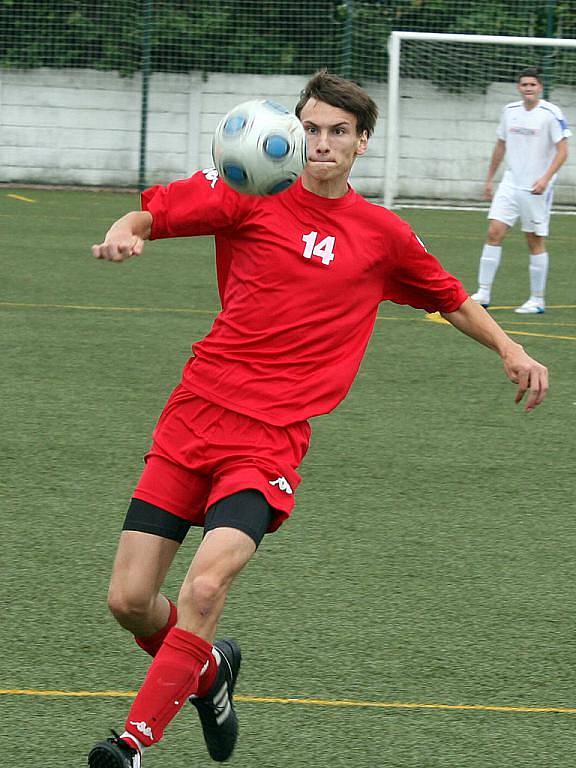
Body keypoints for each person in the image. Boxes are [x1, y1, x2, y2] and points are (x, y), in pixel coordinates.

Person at [88, 70, 548, 768]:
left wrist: (509, 346)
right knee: (128, 599)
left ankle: (132, 744)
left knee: (206, 586)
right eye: (311, 128)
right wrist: (125, 233)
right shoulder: (248, 191)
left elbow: (450, 296)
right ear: (291, 131)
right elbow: (151, 214)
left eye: (338, 131)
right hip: (191, 417)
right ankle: (208, 672)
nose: (322, 142)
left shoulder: (382, 235)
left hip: (268, 439)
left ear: (363, 142)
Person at [471, 66, 571, 314]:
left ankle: (537, 299)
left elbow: (563, 151)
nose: (528, 88)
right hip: (510, 184)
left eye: (533, 85)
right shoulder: (510, 111)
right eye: (524, 84)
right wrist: (489, 179)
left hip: (536, 188)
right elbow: (500, 145)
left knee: (534, 240)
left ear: (540, 88)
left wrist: (545, 179)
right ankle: (483, 293)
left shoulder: (551, 113)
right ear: (519, 87)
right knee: (494, 232)